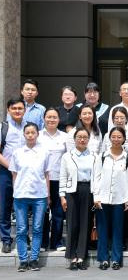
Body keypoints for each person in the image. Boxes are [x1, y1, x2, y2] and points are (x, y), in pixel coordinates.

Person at [8, 122, 49, 271]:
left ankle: (34, 259)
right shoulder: (17, 152)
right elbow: (14, 174)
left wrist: (48, 195)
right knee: (21, 229)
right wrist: (15, 192)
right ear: (24, 134)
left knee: (37, 228)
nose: (30, 135)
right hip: (21, 195)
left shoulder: (44, 152)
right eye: (28, 133)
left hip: (40, 195)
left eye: (33, 132)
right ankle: (23, 260)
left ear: (37, 134)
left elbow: (46, 174)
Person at [59, 127, 99, 271]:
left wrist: (97, 196)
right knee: (72, 224)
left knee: (85, 224)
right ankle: (72, 256)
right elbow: (63, 176)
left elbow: (97, 177)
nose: (82, 140)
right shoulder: (67, 156)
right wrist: (62, 196)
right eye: (79, 137)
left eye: (85, 137)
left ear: (88, 140)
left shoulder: (94, 156)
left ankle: (81, 256)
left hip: (88, 191)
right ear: (74, 139)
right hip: (72, 192)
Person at [93, 125, 128, 270]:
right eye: (113, 137)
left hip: (120, 199)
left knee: (118, 230)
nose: (116, 139)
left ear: (124, 139)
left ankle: (116, 259)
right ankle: (103, 259)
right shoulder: (102, 156)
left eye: (119, 137)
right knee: (102, 230)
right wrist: (96, 196)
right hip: (102, 198)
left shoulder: (127, 157)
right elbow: (96, 177)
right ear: (109, 138)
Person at [38, 107, 68, 252]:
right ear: (44, 118)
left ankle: (57, 242)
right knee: (42, 211)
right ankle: (43, 242)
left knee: (58, 212)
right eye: (49, 117)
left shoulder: (65, 137)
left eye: (54, 117)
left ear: (59, 119)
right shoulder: (38, 135)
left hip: (59, 178)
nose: (51, 119)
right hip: (40, 179)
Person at [0, 98, 27, 254]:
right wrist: (11, 168)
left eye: (20, 108)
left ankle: (23, 236)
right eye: (14, 108)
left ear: (24, 110)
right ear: (8, 110)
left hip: (25, 172)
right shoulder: (3, 127)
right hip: (6, 171)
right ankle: (6, 239)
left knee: (23, 205)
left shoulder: (29, 127)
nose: (17, 111)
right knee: (4, 206)